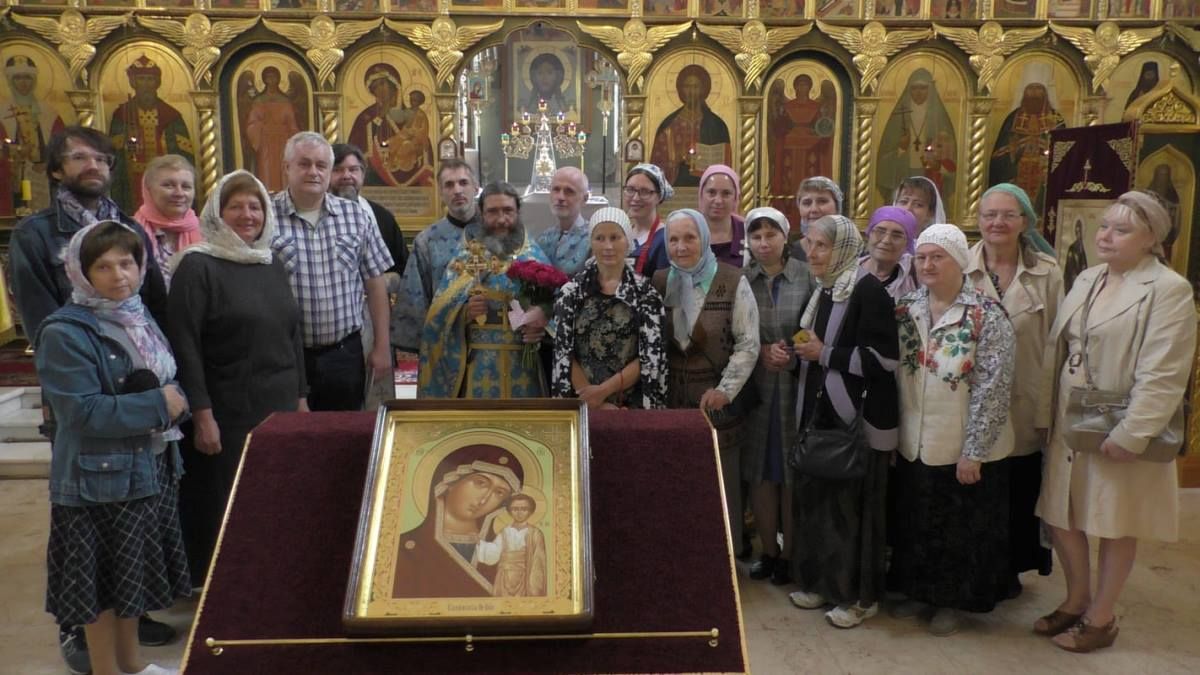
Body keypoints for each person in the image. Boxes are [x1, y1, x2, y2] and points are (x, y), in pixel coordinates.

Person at [8, 126, 175, 672]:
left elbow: (155, 318)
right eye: (79, 157)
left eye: (101, 157)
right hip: (93, 434)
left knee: (128, 559)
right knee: (96, 563)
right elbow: (45, 328)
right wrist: (160, 403)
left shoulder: (128, 241)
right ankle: (86, 644)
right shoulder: (39, 239)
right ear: (57, 169)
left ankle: (130, 654)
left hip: (140, 447)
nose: (93, 165)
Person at [1035, 191, 1196, 652]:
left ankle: (1101, 618)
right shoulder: (1088, 277)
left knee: (1114, 520)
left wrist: (1133, 432)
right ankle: (1076, 599)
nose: (1105, 235)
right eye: (1105, 226)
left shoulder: (1167, 289)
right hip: (1071, 418)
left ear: (1151, 238)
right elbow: (1063, 347)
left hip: (1117, 422)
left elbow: (1164, 371)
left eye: (1121, 230)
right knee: (1063, 513)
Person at [36, 220, 190, 675]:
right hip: (98, 479)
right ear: (80, 271)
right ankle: (106, 670)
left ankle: (133, 663)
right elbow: (81, 412)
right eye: (103, 266)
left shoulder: (137, 315)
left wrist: (172, 399)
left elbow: (165, 378)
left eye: (127, 263)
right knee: (102, 587)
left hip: (148, 465)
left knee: (131, 578)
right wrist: (160, 404)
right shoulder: (65, 331)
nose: (119, 275)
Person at [167, 170, 309, 582]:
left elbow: (291, 334)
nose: (247, 215)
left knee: (274, 496)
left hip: (278, 403)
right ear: (217, 212)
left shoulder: (271, 262)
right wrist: (202, 413)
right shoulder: (197, 266)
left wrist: (301, 398)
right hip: (227, 409)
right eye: (236, 207)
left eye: (255, 206)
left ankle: (268, 577)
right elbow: (185, 346)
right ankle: (225, 586)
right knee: (228, 502)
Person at [889, 223, 1016, 637]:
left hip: (963, 443)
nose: (927, 265)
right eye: (921, 257)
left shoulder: (986, 314)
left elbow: (993, 388)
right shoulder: (905, 308)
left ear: (960, 261)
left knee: (959, 526)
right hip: (913, 439)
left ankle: (952, 601)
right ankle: (918, 591)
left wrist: (974, 451)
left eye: (937, 257)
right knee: (916, 520)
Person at [785, 214, 899, 629]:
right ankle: (823, 584)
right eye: (809, 243)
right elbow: (810, 341)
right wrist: (790, 351)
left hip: (858, 422)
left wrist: (825, 354)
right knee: (822, 507)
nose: (812, 253)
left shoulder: (868, 291)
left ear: (845, 249)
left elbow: (885, 361)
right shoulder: (825, 288)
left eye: (822, 245)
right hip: (822, 416)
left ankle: (860, 598)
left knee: (856, 514)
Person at [965, 183, 1062, 596]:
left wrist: (1048, 410)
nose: (997, 223)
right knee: (975, 488)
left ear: (1025, 221)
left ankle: (1010, 572)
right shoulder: (960, 266)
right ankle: (974, 572)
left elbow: (1058, 343)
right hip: (971, 401)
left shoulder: (1047, 273)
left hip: (1026, 399)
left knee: (1018, 488)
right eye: (989, 214)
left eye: (1008, 214)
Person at [651, 208, 759, 554]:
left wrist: (725, 390)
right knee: (676, 488)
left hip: (716, 406)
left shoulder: (733, 280)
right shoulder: (659, 281)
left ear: (704, 238)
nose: (681, 247)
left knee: (720, 488)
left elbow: (748, 344)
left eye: (689, 238)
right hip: (672, 407)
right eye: (673, 239)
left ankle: (723, 563)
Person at [270, 132, 393, 411]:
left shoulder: (356, 216)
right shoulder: (266, 217)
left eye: (321, 165)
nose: (313, 172)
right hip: (286, 355)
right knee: (290, 432)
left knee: (344, 430)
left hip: (344, 354)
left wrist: (382, 346)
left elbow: (375, 284)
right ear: (287, 167)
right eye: (304, 164)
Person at [418, 182, 552, 398]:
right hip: (478, 365)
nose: (501, 219)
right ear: (481, 214)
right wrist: (464, 313)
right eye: (493, 212)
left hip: (524, 365)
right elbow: (438, 315)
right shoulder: (466, 256)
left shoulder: (533, 255)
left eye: (508, 211)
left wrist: (542, 324)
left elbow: (556, 307)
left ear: (518, 212)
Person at [740, 207, 813, 586]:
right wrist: (762, 351)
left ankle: (790, 554)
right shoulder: (742, 279)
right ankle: (768, 551)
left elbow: (814, 324)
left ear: (786, 237)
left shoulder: (807, 275)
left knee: (791, 473)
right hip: (758, 388)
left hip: (795, 386)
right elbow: (736, 332)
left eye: (771, 234)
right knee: (760, 473)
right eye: (756, 236)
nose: (763, 243)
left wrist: (791, 350)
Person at [552, 207, 667, 409]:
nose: (608, 246)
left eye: (615, 237)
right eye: (600, 238)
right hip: (581, 403)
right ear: (591, 242)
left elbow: (650, 356)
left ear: (627, 241)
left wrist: (603, 392)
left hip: (628, 408)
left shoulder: (646, 295)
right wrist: (593, 401)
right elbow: (563, 352)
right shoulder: (571, 293)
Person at [392, 444, 525, 598]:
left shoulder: (507, 554)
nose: (484, 499)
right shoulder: (404, 549)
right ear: (450, 481)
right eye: (480, 483)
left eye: (499, 493)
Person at [394, 159, 481, 352]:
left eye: (463, 182)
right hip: (446, 341)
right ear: (441, 193)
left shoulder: (498, 231)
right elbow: (415, 297)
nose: (457, 190)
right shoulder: (427, 240)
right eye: (449, 185)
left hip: (493, 340)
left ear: (476, 188)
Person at [109, 55, 195, 211]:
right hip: (131, 179)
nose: (146, 85)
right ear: (133, 82)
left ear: (157, 82)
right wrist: (129, 144)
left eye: (150, 79)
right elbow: (115, 155)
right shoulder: (122, 114)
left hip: (167, 179)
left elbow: (185, 156)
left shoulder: (171, 115)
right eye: (141, 79)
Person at [643, 164, 747, 276]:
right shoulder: (683, 228)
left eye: (726, 193)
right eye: (711, 192)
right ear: (701, 194)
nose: (718, 200)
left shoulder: (748, 233)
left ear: (736, 197)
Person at [988, 71, 1066, 217]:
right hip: (1017, 173)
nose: (1034, 93)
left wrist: (1044, 147)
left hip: (1043, 174)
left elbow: (1064, 152)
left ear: (1045, 92)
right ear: (1024, 92)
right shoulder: (1012, 118)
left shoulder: (1056, 119)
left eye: (1038, 88)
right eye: (1031, 88)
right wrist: (1017, 147)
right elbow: (999, 154)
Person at [877, 69, 957, 206]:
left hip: (929, 175)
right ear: (908, 90)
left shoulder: (939, 118)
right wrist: (901, 149)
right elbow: (883, 158)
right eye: (914, 88)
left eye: (923, 88)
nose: (919, 92)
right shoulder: (899, 115)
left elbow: (951, 159)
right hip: (902, 172)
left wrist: (938, 164)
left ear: (930, 89)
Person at [347, 63, 434, 188]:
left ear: (394, 85)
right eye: (375, 87)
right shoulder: (367, 116)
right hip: (375, 178)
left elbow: (423, 142)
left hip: (413, 182)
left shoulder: (413, 114)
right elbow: (356, 146)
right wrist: (379, 118)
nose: (379, 90)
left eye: (382, 84)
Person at [1, 55, 66, 215]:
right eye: (18, 78)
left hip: (42, 175)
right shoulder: (2, 112)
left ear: (34, 80)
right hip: (12, 175)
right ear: (10, 81)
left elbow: (62, 145)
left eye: (27, 77)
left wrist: (47, 163)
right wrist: (14, 155)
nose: (23, 83)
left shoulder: (49, 113)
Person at [650, 65, 733, 186]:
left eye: (696, 87)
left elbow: (725, 165)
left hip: (710, 188)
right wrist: (676, 159)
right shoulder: (669, 125)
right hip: (675, 189)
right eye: (687, 86)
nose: (691, 92)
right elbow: (655, 166)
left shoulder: (716, 125)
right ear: (680, 89)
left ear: (704, 89)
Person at [132, 155, 201, 288]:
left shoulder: (208, 232)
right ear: (148, 190)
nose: (179, 193)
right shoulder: (130, 232)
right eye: (168, 185)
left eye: (186, 187)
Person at [476, 494, 548, 597]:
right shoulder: (505, 532)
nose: (519, 513)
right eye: (515, 509)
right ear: (509, 511)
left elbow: (538, 561)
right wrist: (481, 544)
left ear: (530, 511)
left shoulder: (535, 533)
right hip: (504, 578)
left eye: (524, 509)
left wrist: (535, 587)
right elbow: (494, 552)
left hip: (525, 579)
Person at [243, 66, 302, 192]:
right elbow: (252, 123)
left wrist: (295, 142)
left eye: (274, 77)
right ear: (264, 80)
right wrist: (261, 129)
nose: (271, 80)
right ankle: (266, 194)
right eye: (268, 77)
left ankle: (285, 193)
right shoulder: (259, 101)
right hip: (265, 142)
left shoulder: (285, 101)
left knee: (283, 167)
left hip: (283, 141)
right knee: (266, 169)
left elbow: (292, 124)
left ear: (279, 79)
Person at [536, 166, 592, 278]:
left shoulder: (593, 239)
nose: (560, 197)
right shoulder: (543, 238)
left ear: (585, 199)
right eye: (556, 189)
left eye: (569, 191)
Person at [622, 163, 673, 276]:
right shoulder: (623, 234)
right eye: (630, 190)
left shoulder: (665, 239)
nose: (635, 198)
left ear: (659, 196)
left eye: (644, 191)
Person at [858, 206, 919, 301]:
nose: (886, 240)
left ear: (907, 243)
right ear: (869, 235)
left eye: (897, 235)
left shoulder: (915, 274)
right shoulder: (849, 273)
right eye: (880, 232)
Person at [790, 176, 844, 261]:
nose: (814, 209)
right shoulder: (789, 253)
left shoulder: (854, 249)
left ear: (837, 207)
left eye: (822, 201)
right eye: (807, 203)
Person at [1063, 218, 1088, 294]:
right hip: (1073, 279)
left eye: (1079, 232)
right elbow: (1069, 264)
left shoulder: (1082, 247)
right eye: (1077, 232)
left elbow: (1084, 264)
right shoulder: (1072, 247)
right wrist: (1075, 275)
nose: (1078, 234)